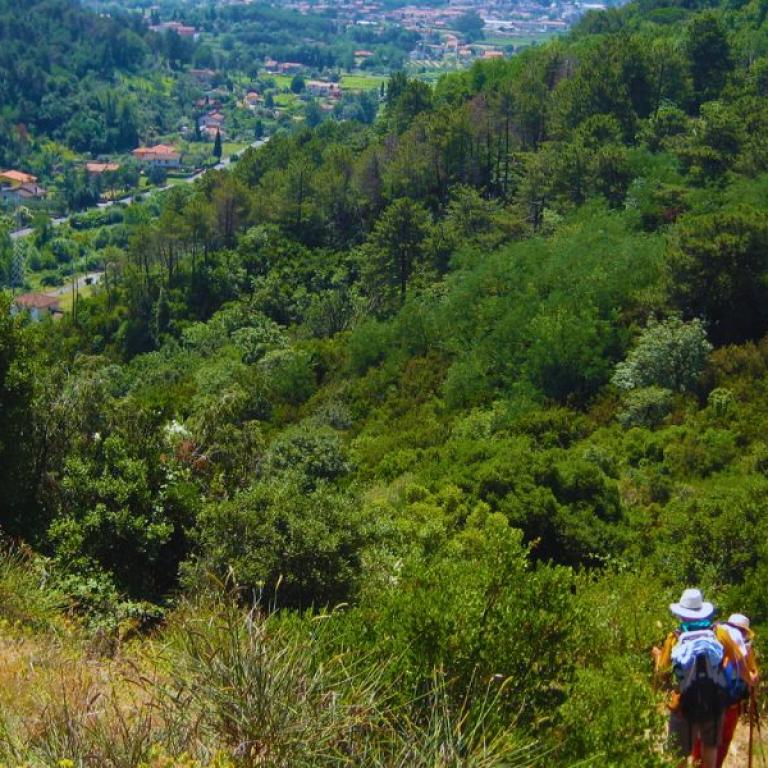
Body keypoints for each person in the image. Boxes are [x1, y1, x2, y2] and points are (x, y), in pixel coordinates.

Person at [653, 589, 747, 768]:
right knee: (709, 748)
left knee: (679, 754)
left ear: (681, 613)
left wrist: (657, 656)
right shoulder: (719, 633)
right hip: (713, 704)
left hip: (682, 703)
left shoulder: (675, 637)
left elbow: (661, 672)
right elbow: (738, 660)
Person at [692, 613, 759, 767]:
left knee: (701, 743)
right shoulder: (744, 650)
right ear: (744, 631)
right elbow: (752, 678)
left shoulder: (712, 640)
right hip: (729, 707)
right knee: (720, 745)